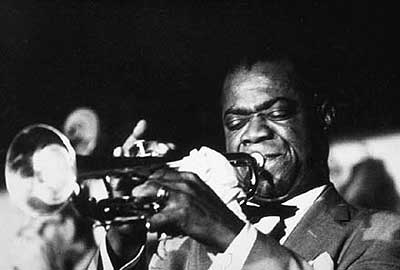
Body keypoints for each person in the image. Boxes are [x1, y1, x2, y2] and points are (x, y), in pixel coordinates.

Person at [88, 52, 400, 270]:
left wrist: (227, 232)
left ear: (323, 116)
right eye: (236, 123)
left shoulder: (382, 235)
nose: (253, 133)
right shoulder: (181, 248)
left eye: (277, 113)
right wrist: (122, 242)